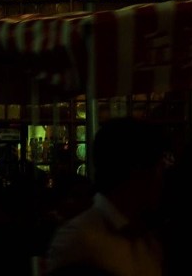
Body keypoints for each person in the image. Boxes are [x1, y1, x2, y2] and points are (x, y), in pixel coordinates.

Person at [42, 117, 167, 276]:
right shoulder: (79, 239)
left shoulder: (147, 240)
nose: (163, 179)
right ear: (139, 172)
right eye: (159, 168)